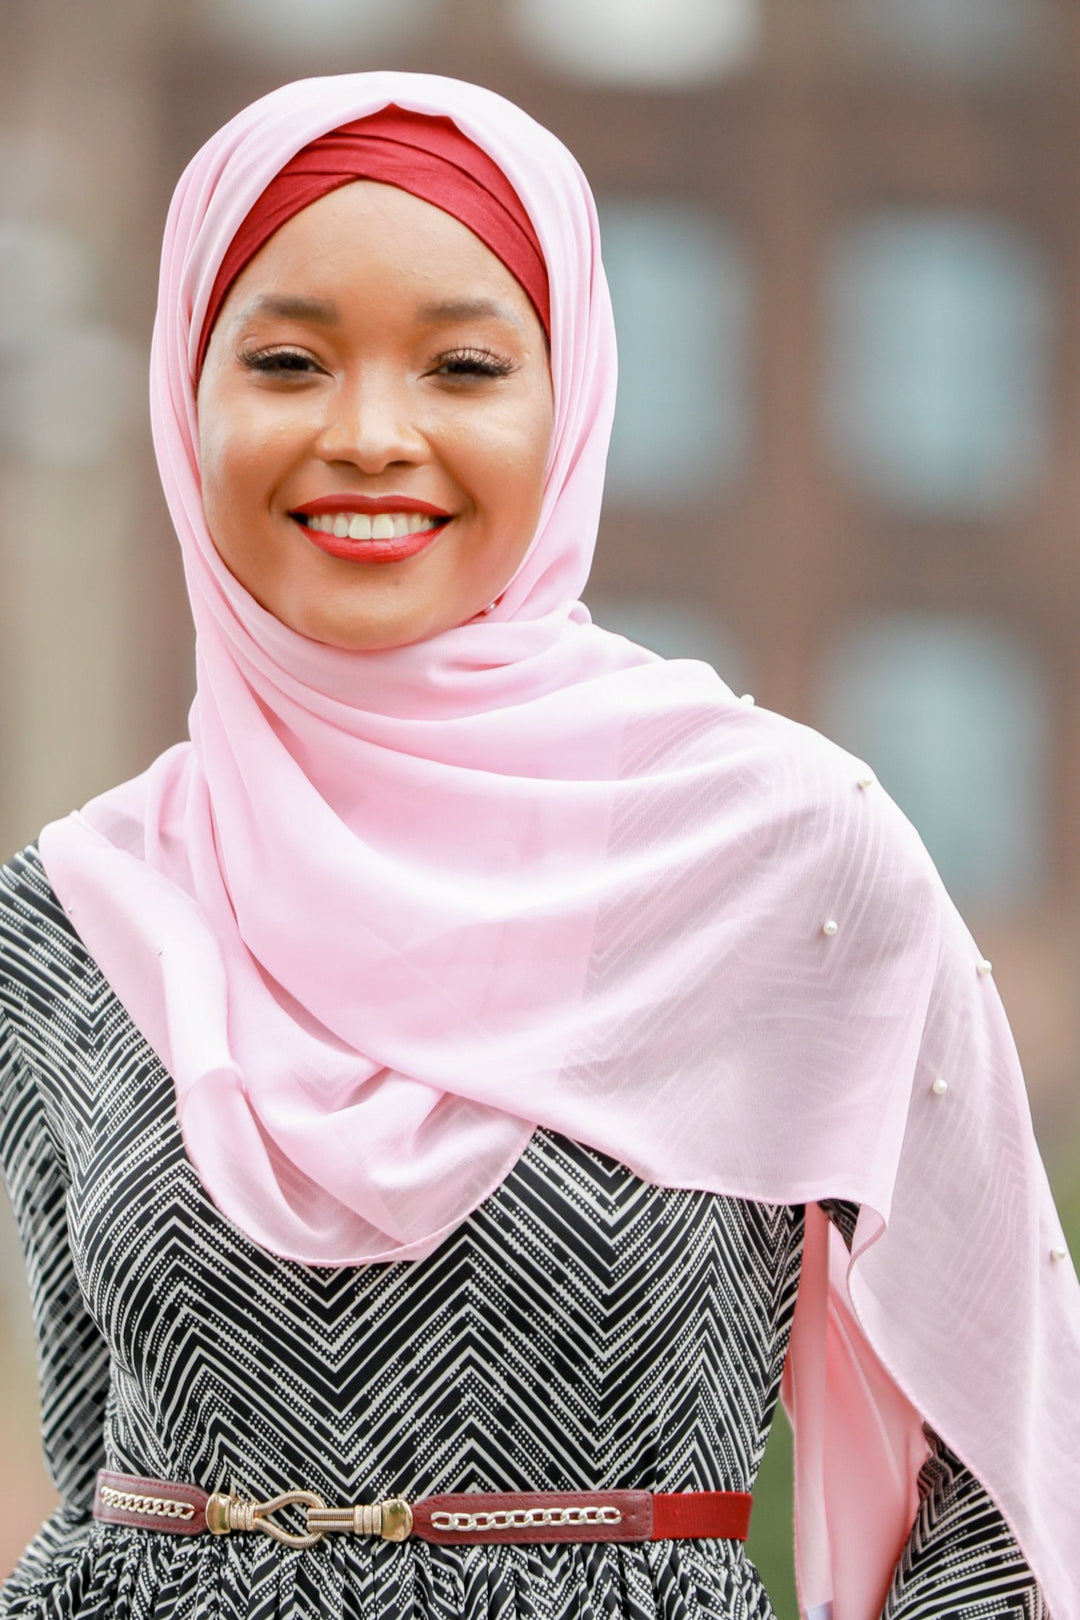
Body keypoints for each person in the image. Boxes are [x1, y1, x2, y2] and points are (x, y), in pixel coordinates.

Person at [0, 71, 1077, 1620]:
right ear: (185, 394)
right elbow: (88, 1462)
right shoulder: (72, 912)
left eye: (464, 365)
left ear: (566, 406)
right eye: (290, 359)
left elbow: (994, 1480)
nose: (372, 435)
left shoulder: (781, 868)